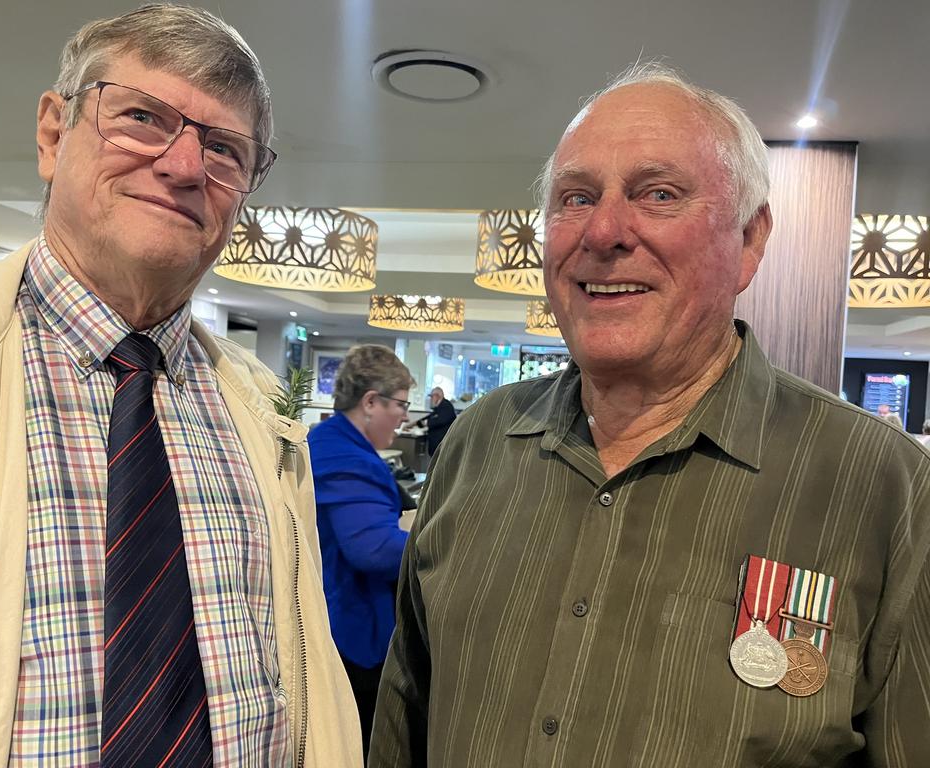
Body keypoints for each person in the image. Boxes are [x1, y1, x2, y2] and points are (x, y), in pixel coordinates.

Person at [370, 61, 930, 767]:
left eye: (658, 194)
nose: (603, 231)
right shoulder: (479, 442)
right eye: (575, 198)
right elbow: (404, 713)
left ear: (750, 240)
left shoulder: (885, 487)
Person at [0, 5, 361, 766]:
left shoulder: (264, 420)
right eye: (143, 117)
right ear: (54, 133)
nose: (184, 166)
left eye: (223, 148)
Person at [307, 345, 414, 760]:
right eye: (400, 405)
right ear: (371, 402)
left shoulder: (328, 440)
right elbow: (374, 550)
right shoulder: (346, 456)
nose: (404, 417)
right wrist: (442, 544)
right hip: (352, 628)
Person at [407, 386, 457, 456]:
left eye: (431, 397)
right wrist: (415, 423)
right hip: (437, 446)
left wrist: (422, 423)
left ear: (437, 396)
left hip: (442, 446)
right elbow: (430, 417)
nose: (430, 399)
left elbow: (437, 421)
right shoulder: (440, 407)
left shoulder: (446, 406)